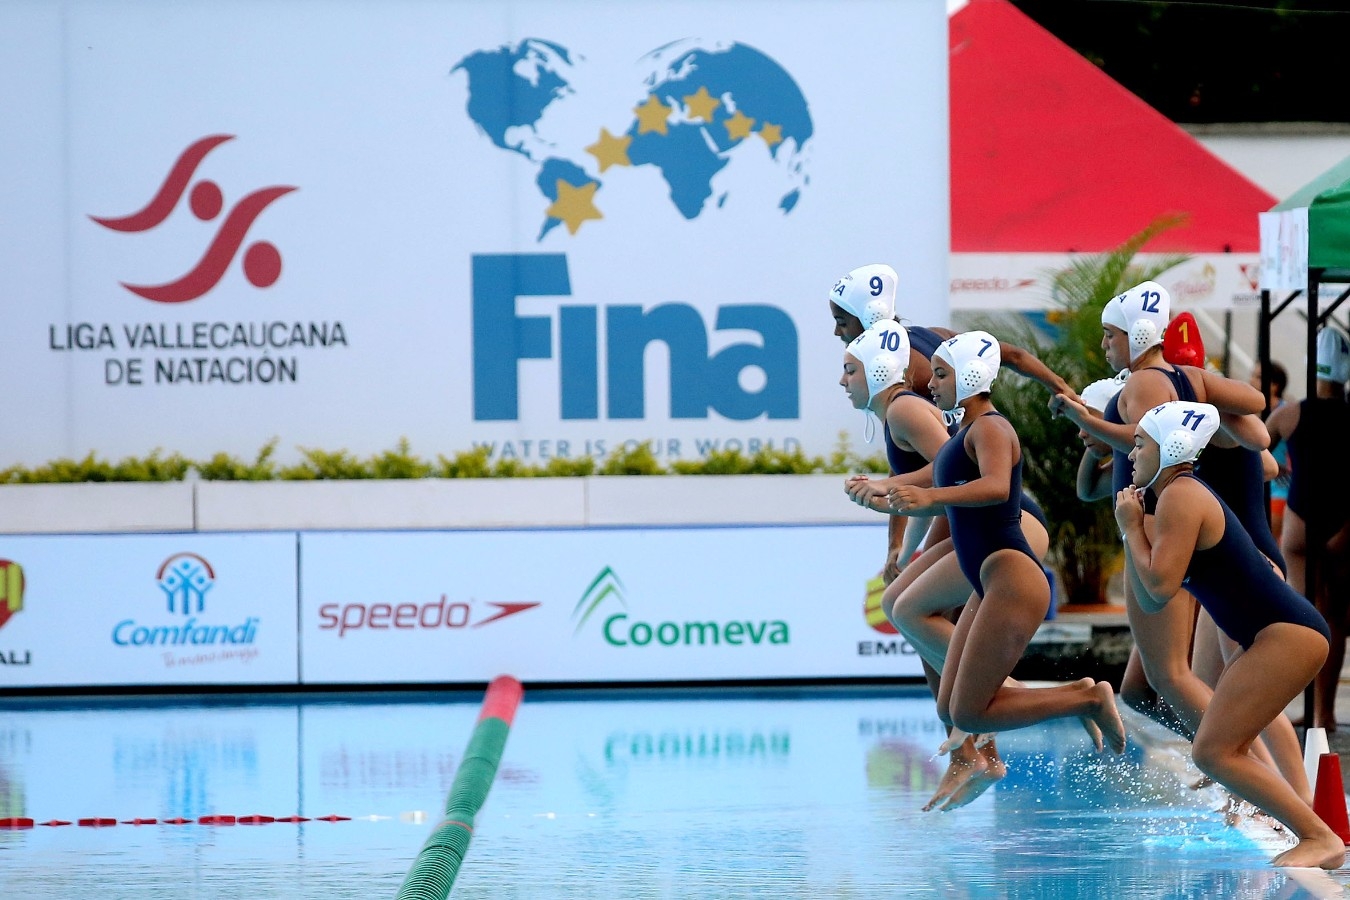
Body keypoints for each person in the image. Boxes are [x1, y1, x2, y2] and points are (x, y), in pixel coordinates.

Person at [840, 321, 1060, 810]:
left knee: (909, 610)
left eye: (849, 369)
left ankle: (998, 699)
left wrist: (892, 499)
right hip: (978, 526)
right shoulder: (903, 408)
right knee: (907, 609)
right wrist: (903, 548)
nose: (841, 381)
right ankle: (973, 747)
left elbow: (951, 479)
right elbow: (933, 485)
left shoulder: (907, 411)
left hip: (1007, 528)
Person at [1116, 400, 1341, 870]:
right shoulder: (1180, 493)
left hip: (1287, 635)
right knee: (1221, 748)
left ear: (1171, 447)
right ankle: (1302, 824)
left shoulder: (1180, 496)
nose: (1130, 454)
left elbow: (1158, 591)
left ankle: (1320, 836)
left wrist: (1131, 530)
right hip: (1271, 634)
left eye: (1140, 443)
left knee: (1213, 751)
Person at [1047, 282, 1266, 742]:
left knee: (1175, 677)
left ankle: (1236, 764)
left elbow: (1155, 439)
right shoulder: (1179, 384)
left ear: (1140, 334)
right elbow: (1091, 487)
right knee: (1143, 689)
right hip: (1167, 532)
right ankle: (1224, 759)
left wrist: (1090, 422)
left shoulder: (1147, 383)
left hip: (1156, 533)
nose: (1104, 345)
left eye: (1111, 335)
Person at [890, 331, 1126, 756]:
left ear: (969, 378)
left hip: (1012, 578)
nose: (931, 383)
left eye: (941, 375)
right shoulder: (963, 432)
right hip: (990, 580)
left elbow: (998, 488)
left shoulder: (992, 428)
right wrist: (885, 491)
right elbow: (936, 489)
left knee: (970, 713)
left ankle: (1086, 700)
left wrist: (932, 497)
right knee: (949, 708)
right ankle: (1079, 693)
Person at [1266, 327, 1350, 731]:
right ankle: (1326, 712)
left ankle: (1307, 710)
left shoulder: (1289, 413)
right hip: (1345, 524)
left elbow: (1253, 448)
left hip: (1300, 519)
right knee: (1336, 615)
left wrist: (1278, 468)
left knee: (1305, 615)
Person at [1251, 361, 1291, 541]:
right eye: (1253, 375)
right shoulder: (1251, 409)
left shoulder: (1285, 414)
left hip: (1280, 490)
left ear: (1275, 385)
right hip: (1258, 486)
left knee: (1271, 544)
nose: (1251, 380)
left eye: (1258, 377)